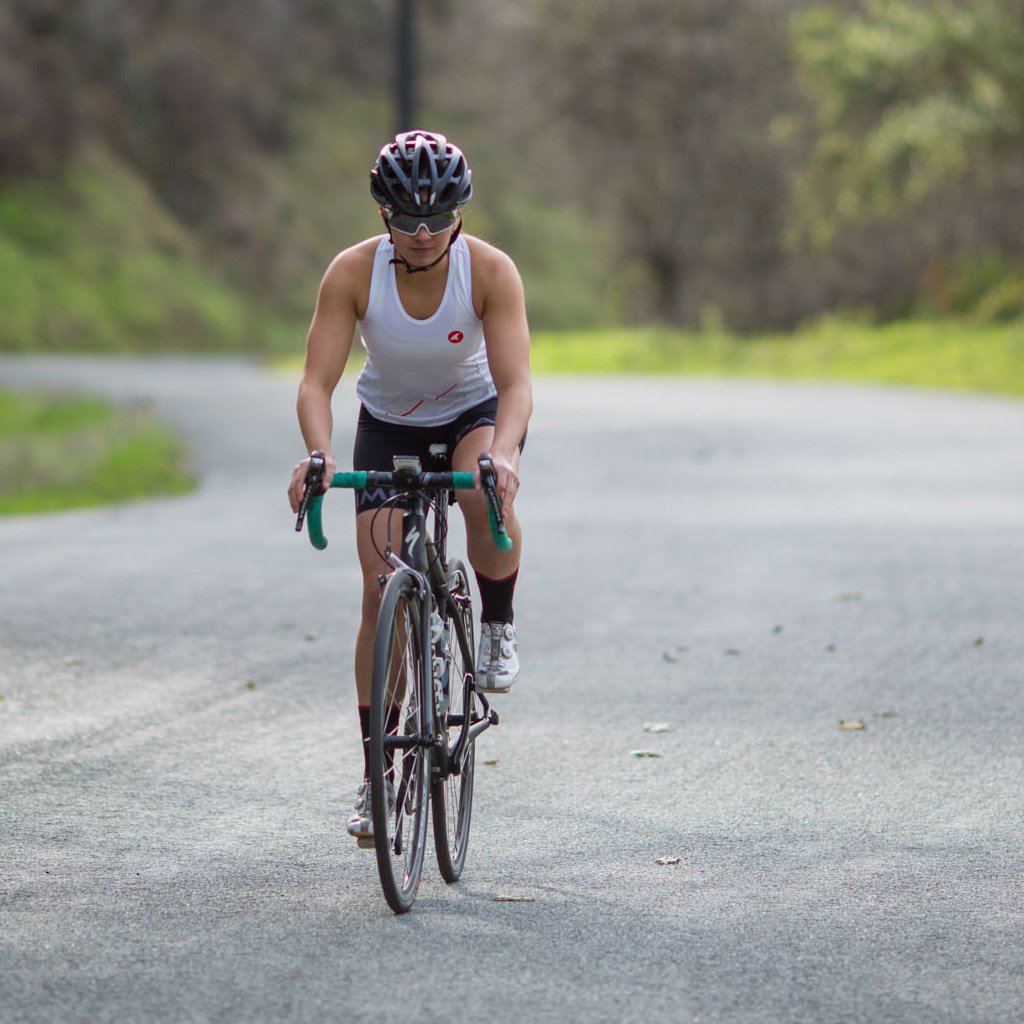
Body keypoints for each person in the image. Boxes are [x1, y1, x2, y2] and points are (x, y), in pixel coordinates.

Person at [286, 129, 532, 841]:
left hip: (473, 412)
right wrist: (318, 453)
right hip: (389, 423)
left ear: (461, 212)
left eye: (436, 219)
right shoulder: (352, 273)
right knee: (376, 589)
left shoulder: (488, 271)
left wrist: (506, 453)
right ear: (381, 215)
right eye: (404, 220)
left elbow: (517, 383)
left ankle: (495, 621)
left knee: (483, 492)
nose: (421, 235)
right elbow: (316, 382)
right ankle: (377, 771)